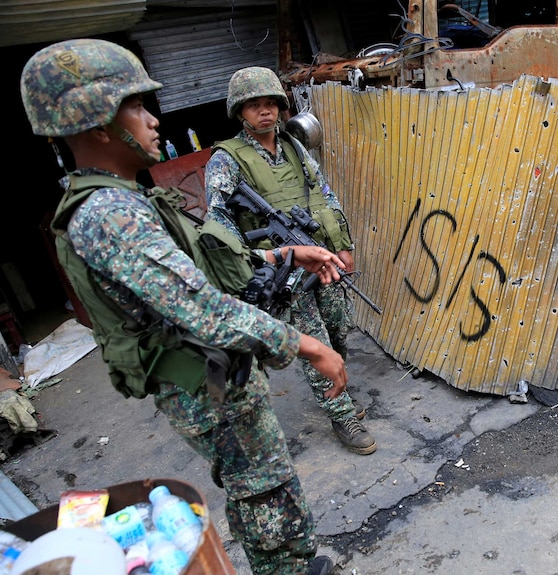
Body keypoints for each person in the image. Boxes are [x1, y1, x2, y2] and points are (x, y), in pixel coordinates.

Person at [20, 38, 341, 575]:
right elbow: (201, 307)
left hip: (212, 371)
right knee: (261, 488)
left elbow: (197, 265)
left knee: (266, 481)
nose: (153, 121)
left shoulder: (123, 198)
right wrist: (307, 347)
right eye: (137, 107)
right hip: (202, 382)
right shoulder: (108, 214)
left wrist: (283, 253)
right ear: (99, 125)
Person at [205, 67, 377, 455]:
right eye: (254, 105)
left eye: (270, 104)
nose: (264, 112)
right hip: (282, 268)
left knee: (337, 327)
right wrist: (267, 258)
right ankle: (339, 412)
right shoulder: (225, 161)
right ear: (240, 112)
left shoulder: (295, 148)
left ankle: (340, 388)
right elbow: (219, 228)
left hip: (318, 254)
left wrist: (342, 244)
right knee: (312, 338)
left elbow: (324, 196)